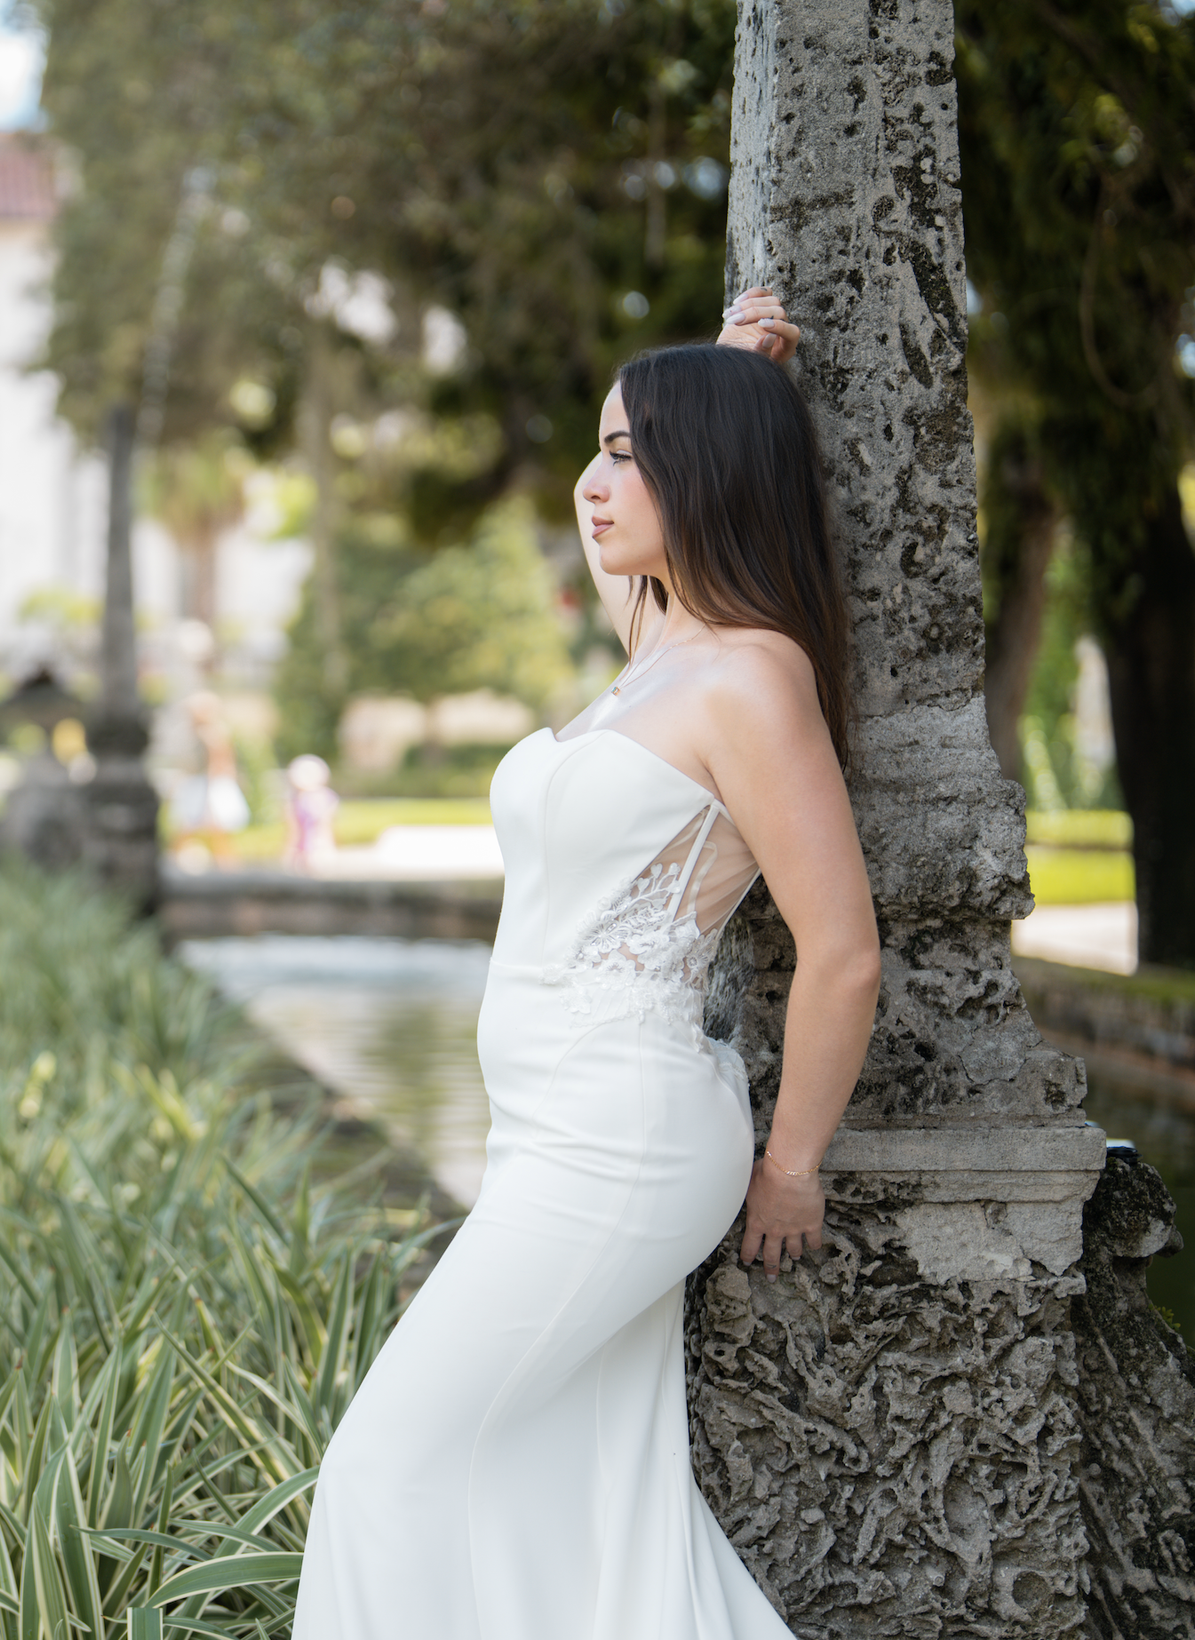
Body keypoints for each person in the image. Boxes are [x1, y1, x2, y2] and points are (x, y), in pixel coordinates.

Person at [292, 290, 881, 1638]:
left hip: (622, 1141)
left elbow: (845, 953)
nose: (593, 481)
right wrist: (717, 379)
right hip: (549, 1129)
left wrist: (790, 1165)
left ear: (712, 473)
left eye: (629, 453)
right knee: (595, 1511)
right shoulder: (656, 648)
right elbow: (615, 543)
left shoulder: (750, 678)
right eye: (601, 445)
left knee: (380, 1469)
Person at [171, 691, 250, 865]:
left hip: (210, 784)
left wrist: (211, 794)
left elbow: (219, 763)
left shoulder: (214, 733)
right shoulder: (192, 732)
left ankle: (228, 868)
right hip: (196, 783)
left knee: (216, 831)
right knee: (187, 829)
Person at [283, 753, 341, 871]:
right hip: (308, 845)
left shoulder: (297, 799)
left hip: (314, 845)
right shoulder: (296, 799)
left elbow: (325, 825)